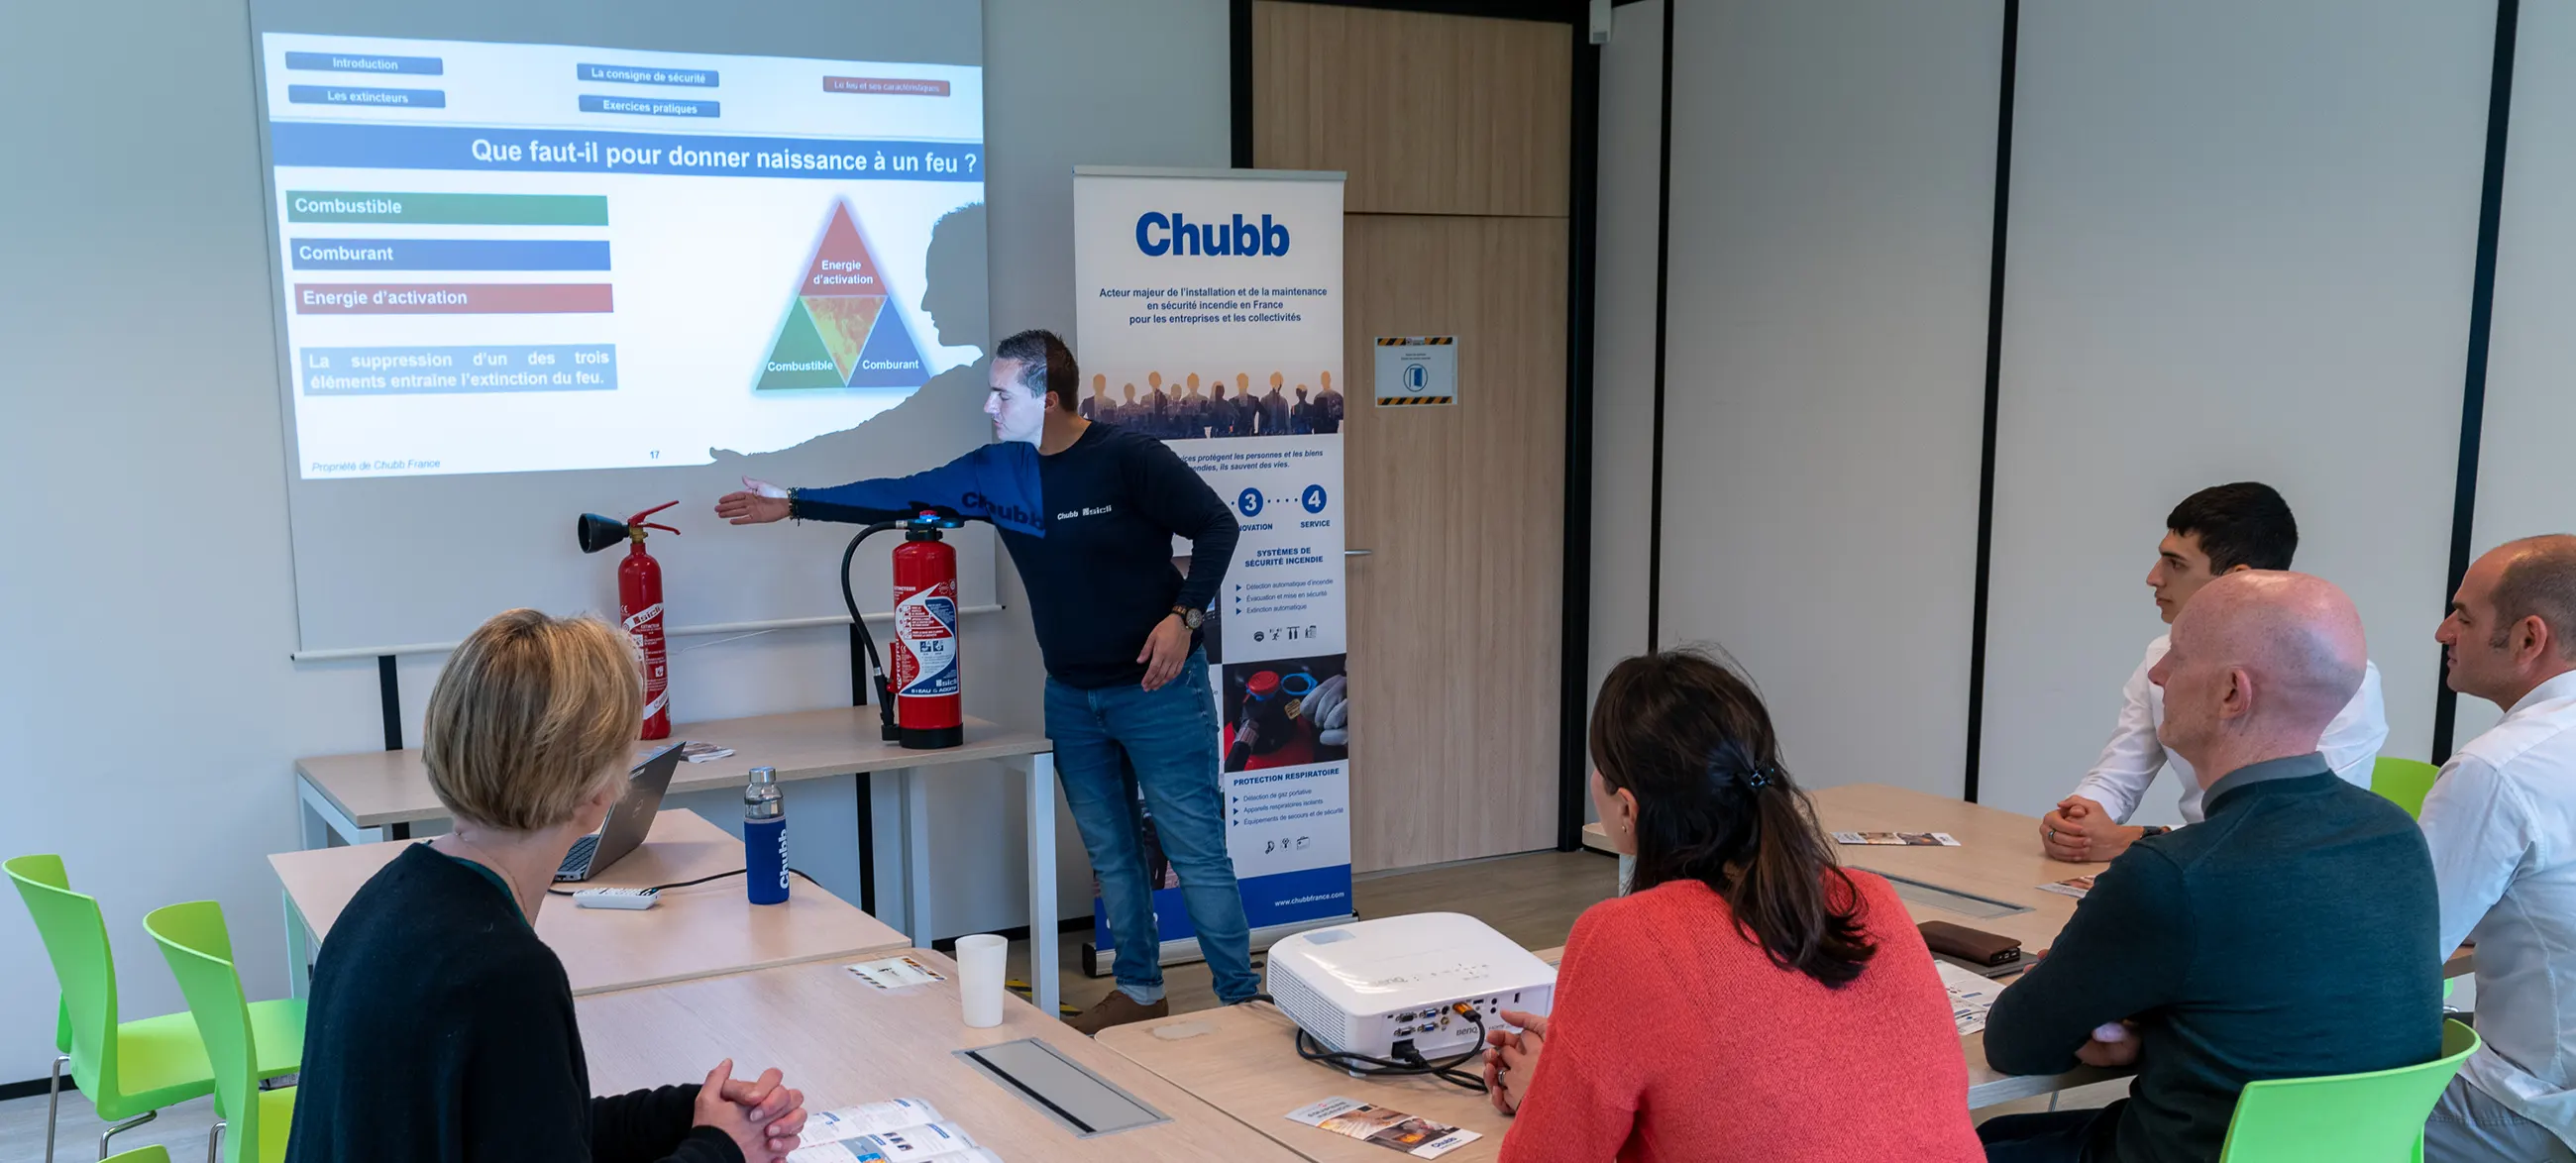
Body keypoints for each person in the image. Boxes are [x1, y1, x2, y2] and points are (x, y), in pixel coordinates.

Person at [714, 329, 1254, 1034]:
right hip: (1072, 698)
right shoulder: (1000, 471)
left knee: (1195, 851)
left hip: (1157, 690)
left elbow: (1217, 526)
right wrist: (793, 502)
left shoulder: (1128, 458)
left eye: (1002, 394)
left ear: (1048, 398)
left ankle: (1243, 1005)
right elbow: (902, 494)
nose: (989, 406)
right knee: (1113, 855)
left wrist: (1185, 616)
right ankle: (1140, 992)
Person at [285, 610, 809, 1163]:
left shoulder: (386, 899)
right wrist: (722, 1149)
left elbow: (533, 1126)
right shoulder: (506, 976)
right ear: (599, 791)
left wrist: (686, 1116)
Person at [1979, 573, 2441, 1163]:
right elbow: (2286, 1015)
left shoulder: (2176, 874)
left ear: (2230, 693)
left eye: (2177, 655)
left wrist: (2113, 1013)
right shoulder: (2396, 835)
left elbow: (2014, 1044)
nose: (2157, 674)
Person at [1482, 650, 1985, 1163]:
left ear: (1628, 807)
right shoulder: (1871, 898)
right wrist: (1571, 1070)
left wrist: (1550, 1099)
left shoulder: (1624, 938)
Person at [2041, 482, 2388, 862]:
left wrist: (2138, 839)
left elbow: (2300, 825)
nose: (2153, 577)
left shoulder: (2339, 679)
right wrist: (2079, 818)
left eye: (2176, 564)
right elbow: (2118, 774)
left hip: (2285, 873)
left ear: (2234, 579)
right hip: (2190, 860)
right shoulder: (2161, 657)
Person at [2418, 535, 2576, 1162]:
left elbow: (2401, 958)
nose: (2442, 632)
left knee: (2243, 1098)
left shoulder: (2498, 768)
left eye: (2462, 616)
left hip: (2540, 1112)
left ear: (2529, 638)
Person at [1312, 370, 1344, 435]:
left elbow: (1315, 419)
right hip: (1332, 431)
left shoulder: (1317, 397)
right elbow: (1341, 415)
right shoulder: (1337, 396)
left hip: (1322, 432)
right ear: (1330, 380)